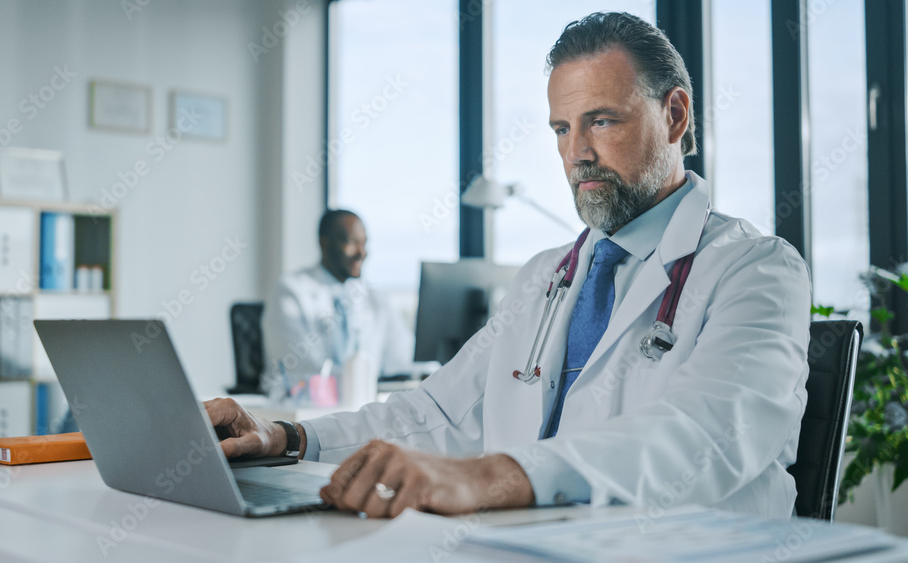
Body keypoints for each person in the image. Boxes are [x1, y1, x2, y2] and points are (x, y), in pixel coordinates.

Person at [206, 12, 811, 519]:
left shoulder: (757, 271)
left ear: (675, 115)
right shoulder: (547, 277)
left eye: (602, 120)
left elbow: (706, 438)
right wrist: (287, 437)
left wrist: (486, 478)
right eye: (561, 128)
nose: (577, 153)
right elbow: (435, 413)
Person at [261, 209, 414, 393]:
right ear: (324, 243)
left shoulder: (374, 298)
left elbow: (401, 361)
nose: (362, 253)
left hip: (365, 405)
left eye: (364, 243)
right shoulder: (290, 291)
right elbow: (302, 369)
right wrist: (359, 382)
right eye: (352, 242)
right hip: (307, 408)